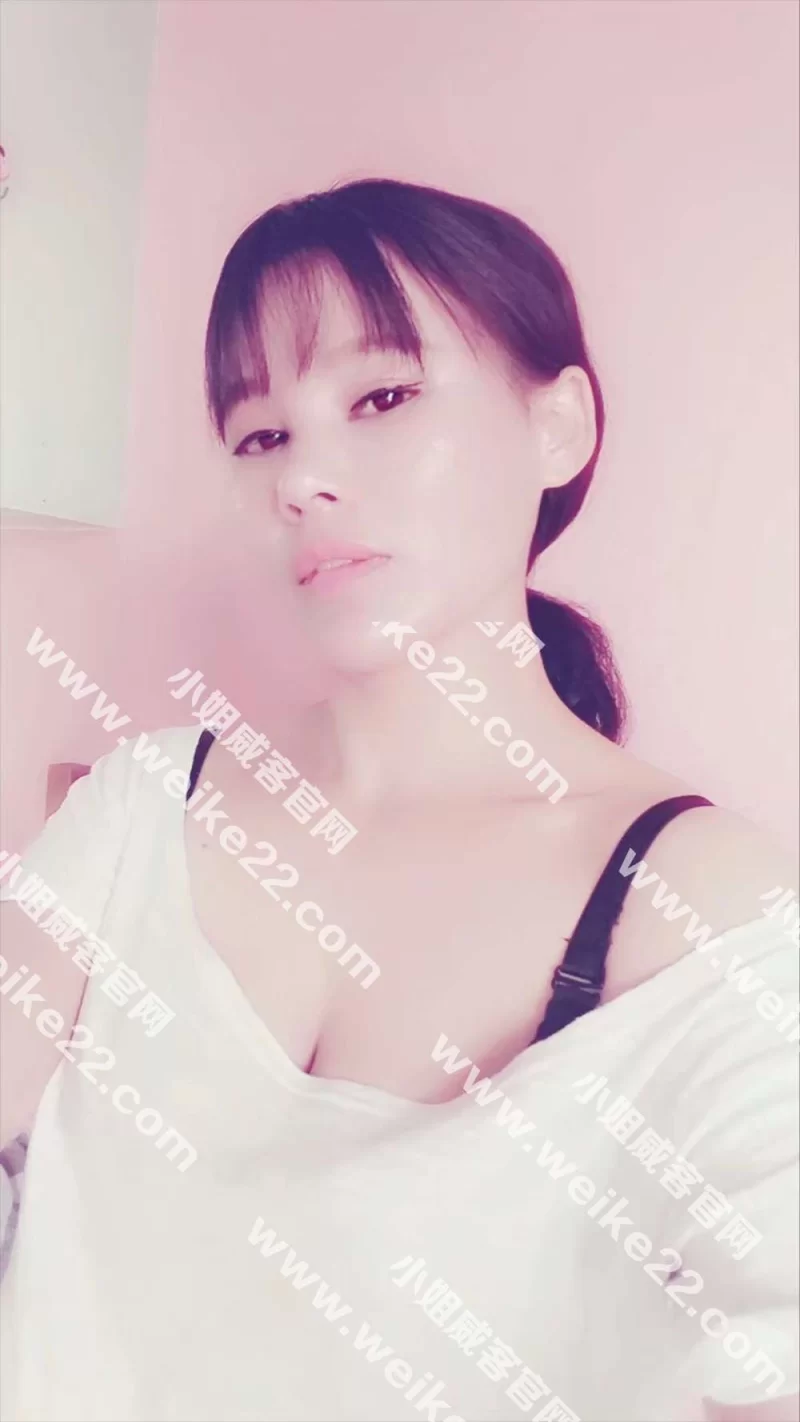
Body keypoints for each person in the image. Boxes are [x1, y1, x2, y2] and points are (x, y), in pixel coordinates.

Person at [0, 176, 797, 1422]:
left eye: (379, 398)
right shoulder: (142, 807)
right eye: (259, 435)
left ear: (558, 426)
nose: (301, 477)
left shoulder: (712, 916)